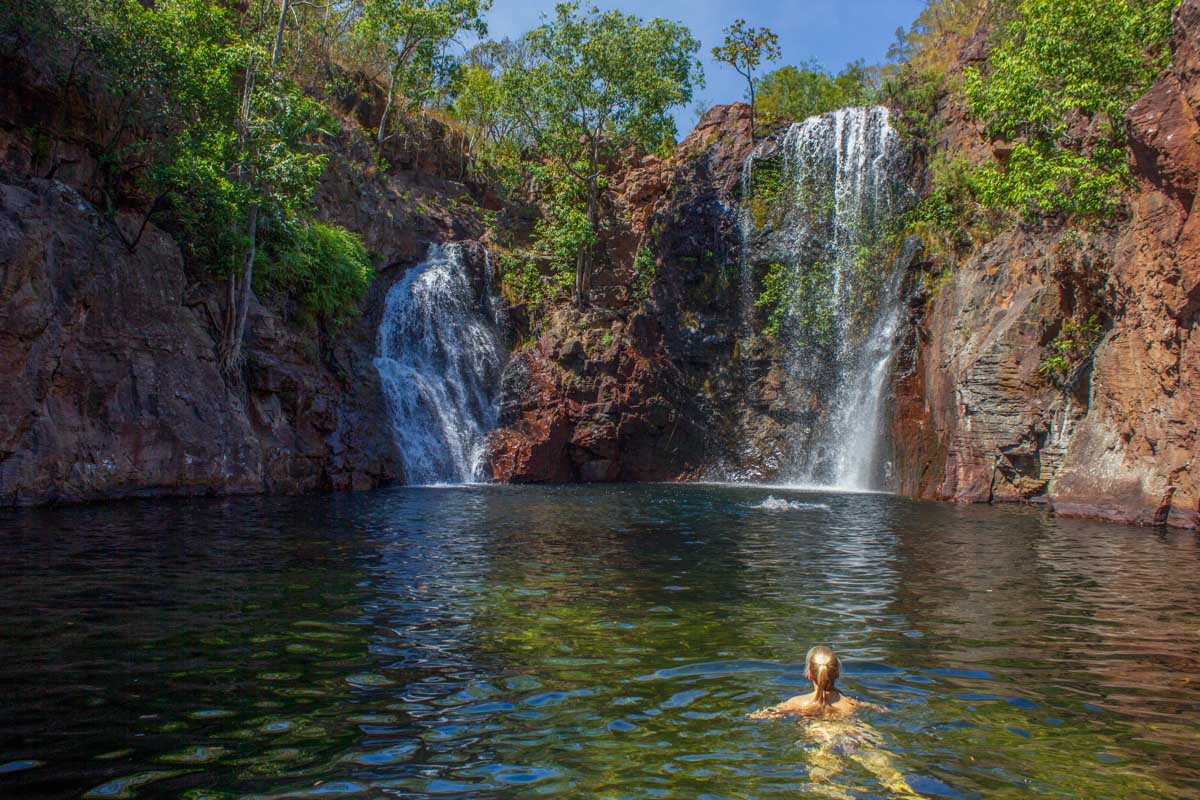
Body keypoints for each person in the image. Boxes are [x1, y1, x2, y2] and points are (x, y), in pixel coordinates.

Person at [749, 645, 876, 720]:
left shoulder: (797, 703)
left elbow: (764, 715)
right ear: (837, 673)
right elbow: (880, 709)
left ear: (809, 673)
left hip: (818, 732)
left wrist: (754, 715)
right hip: (850, 731)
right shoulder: (851, 703)